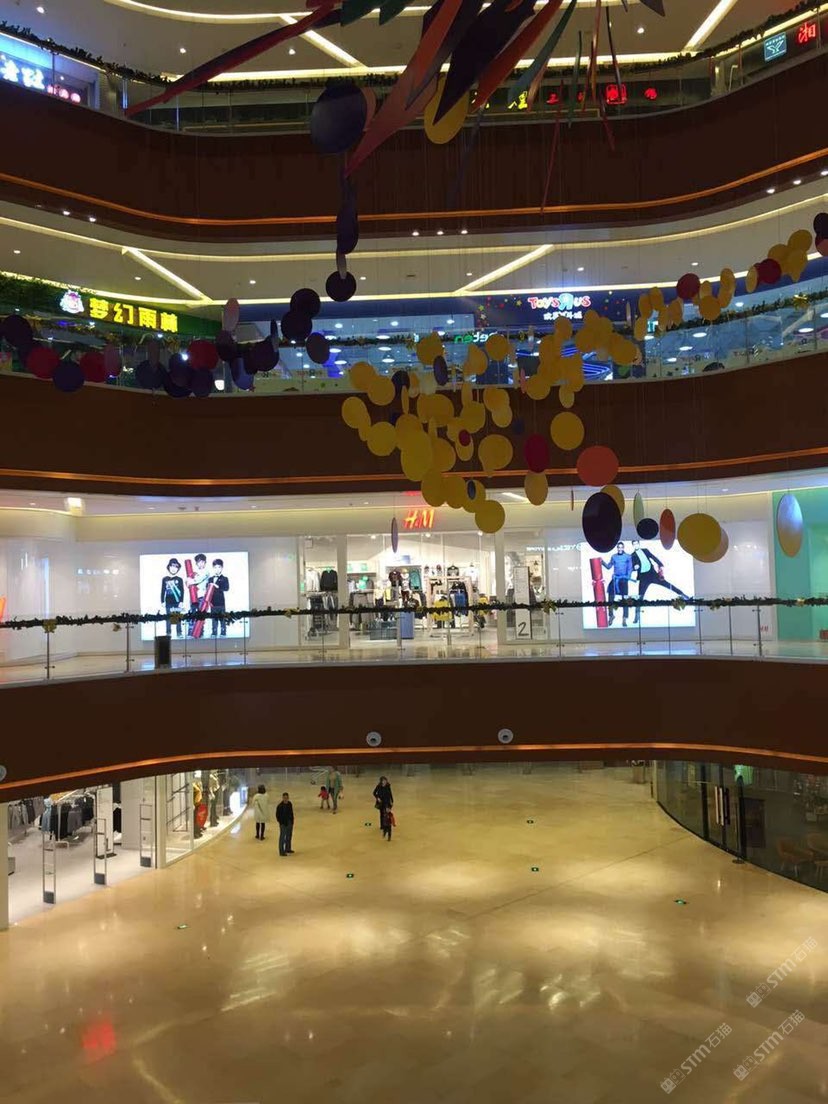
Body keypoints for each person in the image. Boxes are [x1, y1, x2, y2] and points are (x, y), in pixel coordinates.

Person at [631, 540, 690, 624]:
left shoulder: (645, 550)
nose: (636, 545)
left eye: (637, 544)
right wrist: (634, 567)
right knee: (640, 596)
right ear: (633, 545)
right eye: (634, 544)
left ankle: (683, 595)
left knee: (667, 584)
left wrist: (660, 564)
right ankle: (637, 615)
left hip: (652, 574)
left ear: (639, 544)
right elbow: (632, 566)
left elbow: (653, 557)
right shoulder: (632, 555)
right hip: (643, 577)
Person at [601, 541, 634, 626]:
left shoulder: (628, 556)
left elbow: (630, 569)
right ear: (617, 548)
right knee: (610, 598)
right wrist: (602, 562)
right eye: (618, 547)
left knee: (625, 600)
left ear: (623, 548)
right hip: (615, 579)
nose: (620, 549)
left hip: (623, 580)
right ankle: (611, 616)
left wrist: (627, 578)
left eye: (621, 547)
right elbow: (609, 567)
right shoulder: (614, 556)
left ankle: (624, 618)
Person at [159, 557, 185, 636]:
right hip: (168, 602)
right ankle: (168, 632)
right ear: (169, 567)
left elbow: (182, 590)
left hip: (177, 602)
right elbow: (163, 590)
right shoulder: (165, 579)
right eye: (172, 566)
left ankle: (179, 632)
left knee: (177, 617)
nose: (174, 569)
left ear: (178, 568)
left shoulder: (179, 579)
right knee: (168, 618)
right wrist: (162, 601)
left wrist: (181, 601)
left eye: (176, 567)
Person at [186, 553, 209, 636]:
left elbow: (199, 579)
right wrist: (187, 582)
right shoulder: (194, 572)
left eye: (202, 562)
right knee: (192, 613)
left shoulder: (206, 572)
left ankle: (200, 631)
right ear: (196, 563)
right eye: (199, 562)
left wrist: (191, 581)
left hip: (202, 596)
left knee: (201, 614)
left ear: (205, 563)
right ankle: (190, 631)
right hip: (193, 596)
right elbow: (188, 582)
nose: (201, 564)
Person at [208, 558, 230, 637]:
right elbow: (208, 591)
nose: (217, 569)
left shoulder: (225, 578)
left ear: (222, 568)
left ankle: (223, 632)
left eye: (219, 567)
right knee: (214, 618)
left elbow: (226, 588)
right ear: (213, 568)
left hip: (221, 602)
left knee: (222, 618)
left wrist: (217, 586)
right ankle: (214, 632)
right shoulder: (210, 579)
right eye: (215, 567)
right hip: (212, 602)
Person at [276, 792, 295, 856]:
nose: (286, 799)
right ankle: (281, 851)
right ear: (283, 798)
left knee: (289, 836)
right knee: (282, 837)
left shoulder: (290, 804)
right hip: (283, 824)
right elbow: (277, 815)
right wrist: (281, 822)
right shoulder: (280, 806)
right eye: (284, 798)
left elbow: (291, 813)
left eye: (287, 798)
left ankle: (288, 848)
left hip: (289, 822)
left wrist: (292, 821)